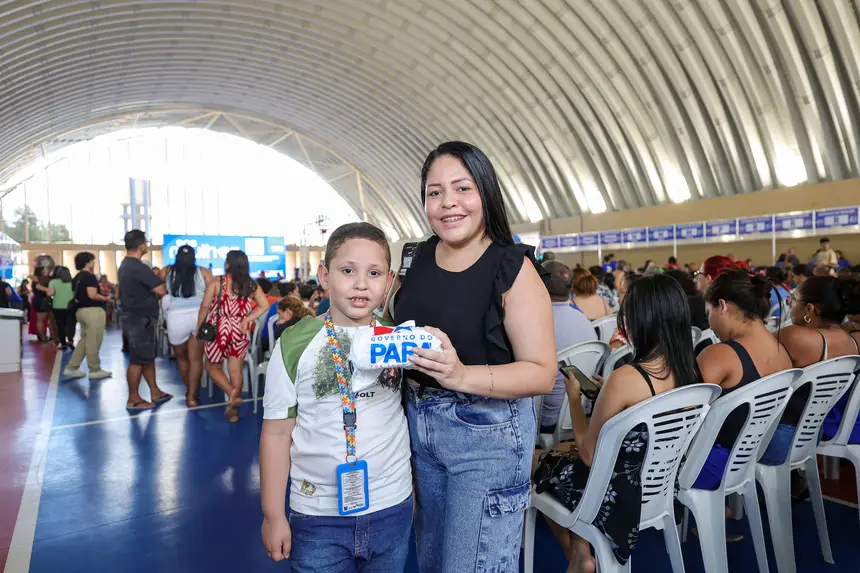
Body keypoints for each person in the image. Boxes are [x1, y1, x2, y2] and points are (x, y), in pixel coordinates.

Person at [392, 141, 556, 572]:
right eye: (434, 192)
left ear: (485, 191)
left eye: (462, 188)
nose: (448, 203)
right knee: (432, 561)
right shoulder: (419, 257)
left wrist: (460, 375)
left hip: (487, 436)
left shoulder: (511, 267)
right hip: (419, 427)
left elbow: (541, 373)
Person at [260, 223, 414, 572]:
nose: (361, 283)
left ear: (388, 280)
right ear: (325, 275)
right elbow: (276, 433)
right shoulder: (294, 343)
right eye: (348, 271)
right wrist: (273, 514)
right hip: (318, 514)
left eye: (373, 273)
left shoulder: (399, 340)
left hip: (391, 505)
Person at [533, 274, 701, 573]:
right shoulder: (691, 373)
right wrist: (607, 396)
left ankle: (577, 552)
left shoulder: (626, 378)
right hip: (659, 485)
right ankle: (580, 549)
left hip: (615, 493)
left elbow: (588, 454)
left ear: (641, 321)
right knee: (561, 451)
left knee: (538, 460)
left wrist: (574, 398)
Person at [692, 271, 792, 489]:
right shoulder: (780, 349)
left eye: (709, 312)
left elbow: (683, 411)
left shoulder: (720, 354)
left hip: (713, 463)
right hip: (751, 455)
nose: (710, 324)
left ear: (723, 305)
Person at [761, 276, 860, 463]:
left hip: (779, 437)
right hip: (813, 434)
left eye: (793, 300)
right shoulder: (850, 341)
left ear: (809, 309)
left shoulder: (794, 336)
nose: (790, 305)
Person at [196, 250, 269, 423]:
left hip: (218, 330)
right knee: (235, 370)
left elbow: (205, 306)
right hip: (239, 330)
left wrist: (199, 327)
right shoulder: (251, 285)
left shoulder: (218, 282)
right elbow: (264, 305)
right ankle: (234, 412)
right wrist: (247, 319)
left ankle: (231, 393)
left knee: (212, 367)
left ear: (227, 264)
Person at [541, 261, 599, 433]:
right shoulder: (583, 319)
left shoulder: (535, 322)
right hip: (580, 411)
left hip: (545, 417)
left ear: (539, 284)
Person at [118, 230, 172, 410]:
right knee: (137, 359)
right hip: (140, 320)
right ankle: (133, 398)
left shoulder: (126, 265)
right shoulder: (137, 266)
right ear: (141, 245)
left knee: (146, 358)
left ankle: (155, 391)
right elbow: (161, 290)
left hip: (137, 318)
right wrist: (162, 277)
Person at [160, 245, 213, 407]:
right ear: (194, 257)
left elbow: (160, 290)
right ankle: (191, 396)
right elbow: (212, 296)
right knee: (196, 359)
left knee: (182, 359)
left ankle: (188, 389)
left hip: (176, 318)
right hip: (199, 317)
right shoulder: (204, 272)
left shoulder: (166, 271)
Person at [63, 252, 112, 379]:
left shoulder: (76, 277)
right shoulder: (89, 277)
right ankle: (95, 369)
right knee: (94, 341)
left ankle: (72, 367)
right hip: (93, 311)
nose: (94, 262)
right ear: (87, 262)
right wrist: (106, 299)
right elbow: (92, 295)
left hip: (80, 311)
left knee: (85, 340)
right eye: (92, 260)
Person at [48, 266, 76, 350]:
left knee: (60, 325)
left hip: (57, 306)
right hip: (70, 306)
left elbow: (50, 294)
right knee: (71, 324)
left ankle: (63, 343)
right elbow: (75, 294)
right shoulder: (72, 282)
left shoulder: (53, 282)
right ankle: (70, 340)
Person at [30, 266, 53, 342]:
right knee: (41, 320)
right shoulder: (37, 281)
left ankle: (43, 336)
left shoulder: (39, 280)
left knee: (42, 320)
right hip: (41, 301)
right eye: (44, 270)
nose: (45, 272)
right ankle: (42, 337)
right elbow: (39, 287)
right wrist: (48, 289)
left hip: (40, 300)